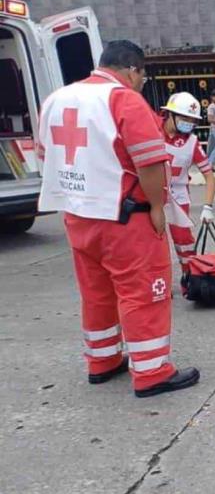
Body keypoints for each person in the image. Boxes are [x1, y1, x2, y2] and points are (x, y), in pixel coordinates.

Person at [37, 40, 199, 397]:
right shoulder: (123, 99)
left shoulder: (56, 99)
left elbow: (46, 155)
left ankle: (103, 359)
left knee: (96, 292)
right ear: (132, 69)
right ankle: (152, 370)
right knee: (144, 291)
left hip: (78, 216)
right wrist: (157, 208)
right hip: (125, 218)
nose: (141, 83)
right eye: (142, 76)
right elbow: (150, 161)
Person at [159, 92, 215, 292]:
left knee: (184, 241)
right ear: (169, 115)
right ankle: (159, 284)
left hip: (178, 193)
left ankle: (190, 281)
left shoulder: (192, 143)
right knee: (154, 243)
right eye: (184, 118)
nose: (188, 123)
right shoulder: (150, 131)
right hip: (150, 192)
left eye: (192, 120)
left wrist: (208, 207)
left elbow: (209, 176)